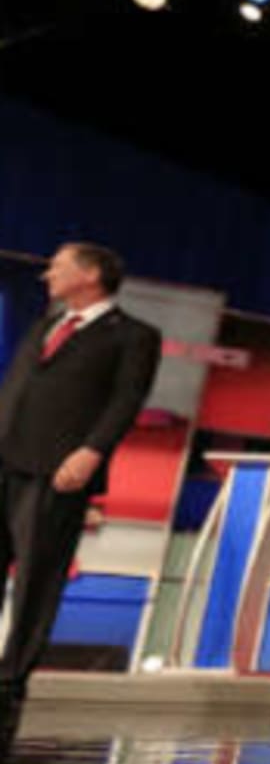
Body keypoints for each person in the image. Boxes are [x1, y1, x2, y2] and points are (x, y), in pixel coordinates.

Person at [0, 242, 161, 710]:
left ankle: (11, 679)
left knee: (36, 579)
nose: (47, 274)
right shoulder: (47, 324)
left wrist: (92, 451)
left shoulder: (132, 335)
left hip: (59, 472)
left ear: (89, 274)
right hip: (7, 460)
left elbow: (126, 400)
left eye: (57, 266)